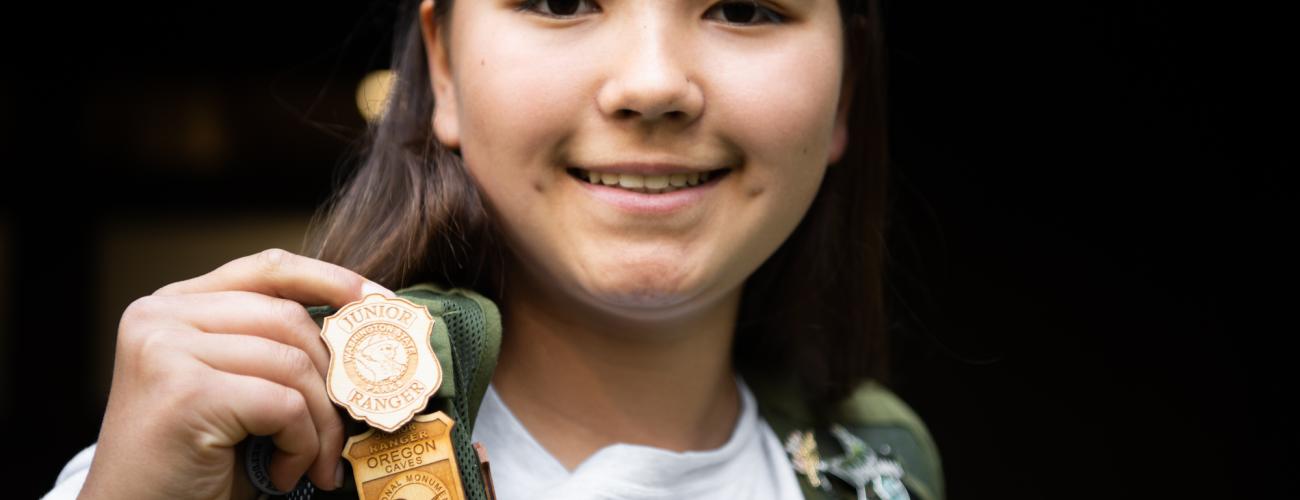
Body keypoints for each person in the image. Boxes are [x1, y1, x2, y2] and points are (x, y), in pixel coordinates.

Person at [45, 0, 942, 498]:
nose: (654, 83)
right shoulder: (226, 456)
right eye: (560, 0)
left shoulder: (886, 465)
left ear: (845, 90)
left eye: (744, 7)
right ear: (441, 65)